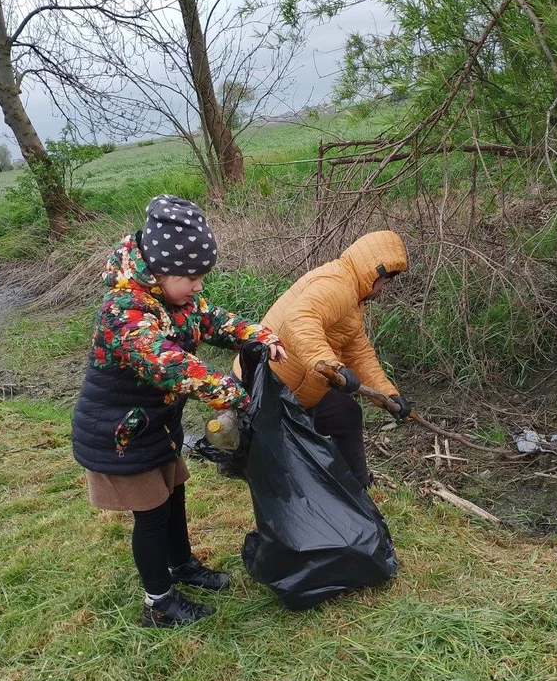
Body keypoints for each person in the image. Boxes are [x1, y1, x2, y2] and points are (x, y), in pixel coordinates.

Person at [70, 195, 287, 628]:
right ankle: (159, 602)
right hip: (119, 434)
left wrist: (257, 335)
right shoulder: (124, 314)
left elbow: (214, 321)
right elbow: (173, 367)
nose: (199, 287)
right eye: (192, 277)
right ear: (160, 269)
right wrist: (237, 395)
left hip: (154, 426)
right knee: (150, 514)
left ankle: (181, 563)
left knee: (174, 494)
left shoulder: (176, 301)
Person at [234, 230, 410, 488]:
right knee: (276, 461)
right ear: (374, 271)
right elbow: (300, 320)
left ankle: (357, 487)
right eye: (384, 280)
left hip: (301, 386)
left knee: (346, 414)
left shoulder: (352, 299)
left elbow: (359, 353)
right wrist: (329, 364)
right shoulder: (336, 285)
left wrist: (388, 396)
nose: (383, 287)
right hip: (266, 384)